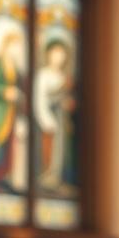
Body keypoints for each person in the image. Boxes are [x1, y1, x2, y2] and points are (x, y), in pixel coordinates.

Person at [33, 38, 76, 191]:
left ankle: (59, 178)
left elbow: (64, 97)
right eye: (55, 53)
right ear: (48, 54)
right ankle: (47, 178)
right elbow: (39, 99)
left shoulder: (63, 76)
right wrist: (47, 121)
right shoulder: (43, 75)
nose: (58, 57)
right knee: (48, 152)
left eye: (61, 54)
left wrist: (67, 102)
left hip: (62, 119)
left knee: (62, 152)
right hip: (48, 119)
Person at [0, 31, 26, 190]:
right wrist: (4, 92)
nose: (15, 50)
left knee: (7, 148)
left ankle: (0, 177)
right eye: (13, 46)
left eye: (18, 47)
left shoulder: (15, 69)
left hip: (10, 114)